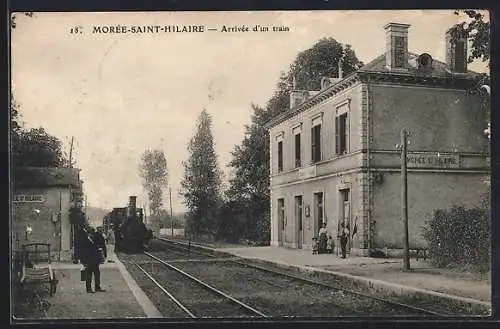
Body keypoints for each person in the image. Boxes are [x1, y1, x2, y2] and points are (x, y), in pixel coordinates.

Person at [79, 227, 105, 293]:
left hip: (95, 260)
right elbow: (82, 252)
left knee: (97, 274)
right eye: (91, 234)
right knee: (89, 275)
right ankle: (88, 289)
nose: (92, 235)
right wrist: (83, 261)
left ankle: (97, 287)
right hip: (88, 261)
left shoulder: (93, 240)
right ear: (88, 234)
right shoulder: (85, 241)